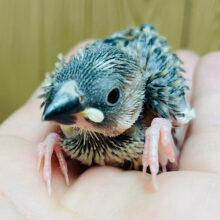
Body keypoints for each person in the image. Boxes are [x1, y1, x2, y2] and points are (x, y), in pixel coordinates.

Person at [0, 41, 220, 219]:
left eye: (112, 97)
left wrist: (163, 123)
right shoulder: (70, 118)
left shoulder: (158, 95)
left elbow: (179, 113)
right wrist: (53, 138)